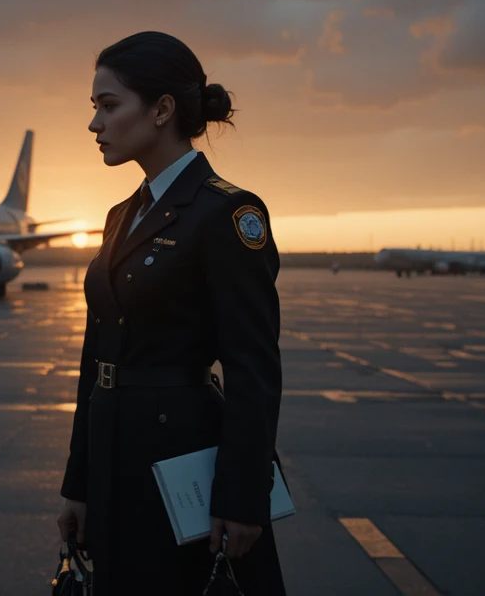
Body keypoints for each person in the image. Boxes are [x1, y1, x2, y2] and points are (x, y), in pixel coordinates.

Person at [56, 31, 285, 595]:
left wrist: (241, 498)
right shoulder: (119, 216)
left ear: (161, 110)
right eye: (95, 108)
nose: (95, 124)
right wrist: (78, 484)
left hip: (181, 465)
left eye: (109, 106)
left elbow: (253, 371)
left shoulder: (227, 213)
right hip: (113, 462)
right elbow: (97, 361)